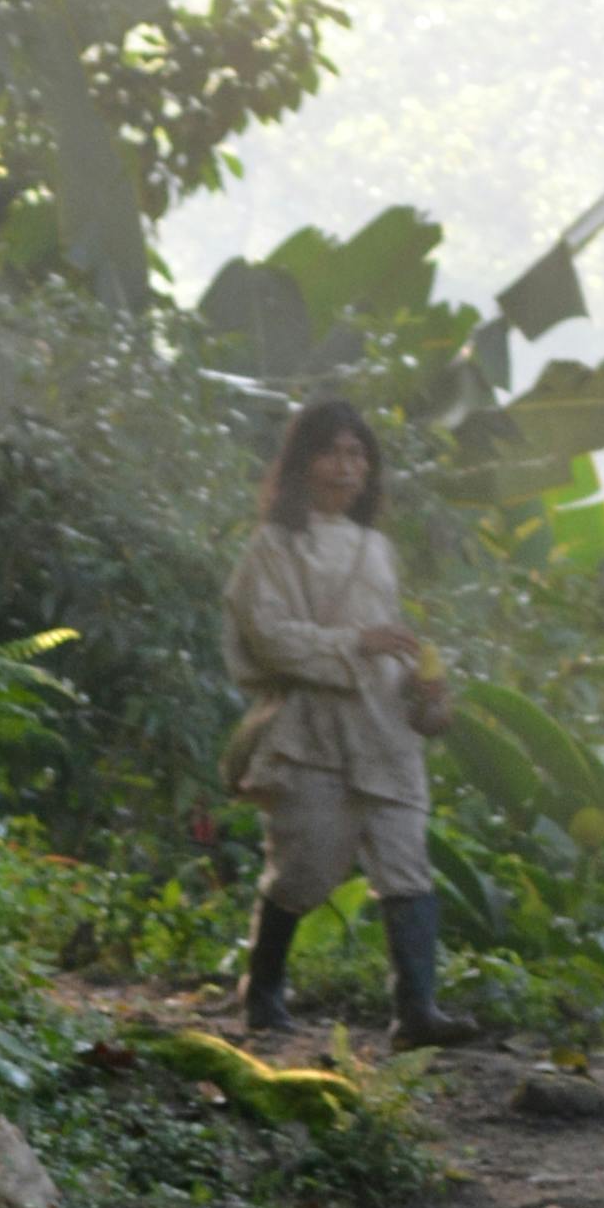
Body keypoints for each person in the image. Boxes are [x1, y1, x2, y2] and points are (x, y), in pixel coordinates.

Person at [223, 396, 452, 1053]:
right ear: (303, 463)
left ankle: (417, 1011)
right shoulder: (272, 547)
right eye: (332, 452)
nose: (346, 468)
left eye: (358, 454)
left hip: (386, 729)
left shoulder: (377, 549)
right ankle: (262, 993)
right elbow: (267, 639)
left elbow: (390, 641)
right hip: (311, 732)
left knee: (406, 861)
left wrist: (423, 684)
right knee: (302, 871)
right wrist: (357, 641)